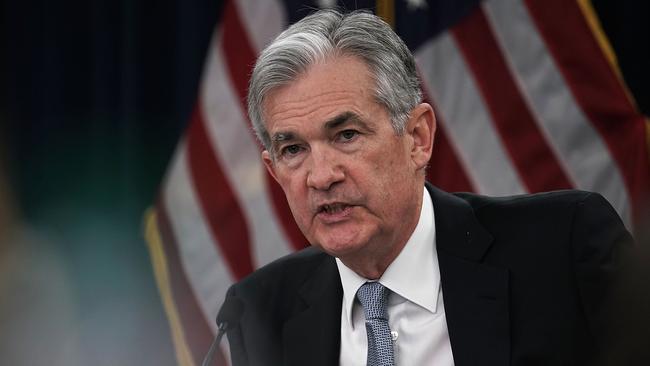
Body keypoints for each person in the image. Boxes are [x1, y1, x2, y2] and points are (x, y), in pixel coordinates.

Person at [218, 9, 646, 366]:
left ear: (418, 138)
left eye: (346, 135)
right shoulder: (260, 311)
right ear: (274, 172)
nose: (322, 175)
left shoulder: (562, 249)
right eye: (293, 149)